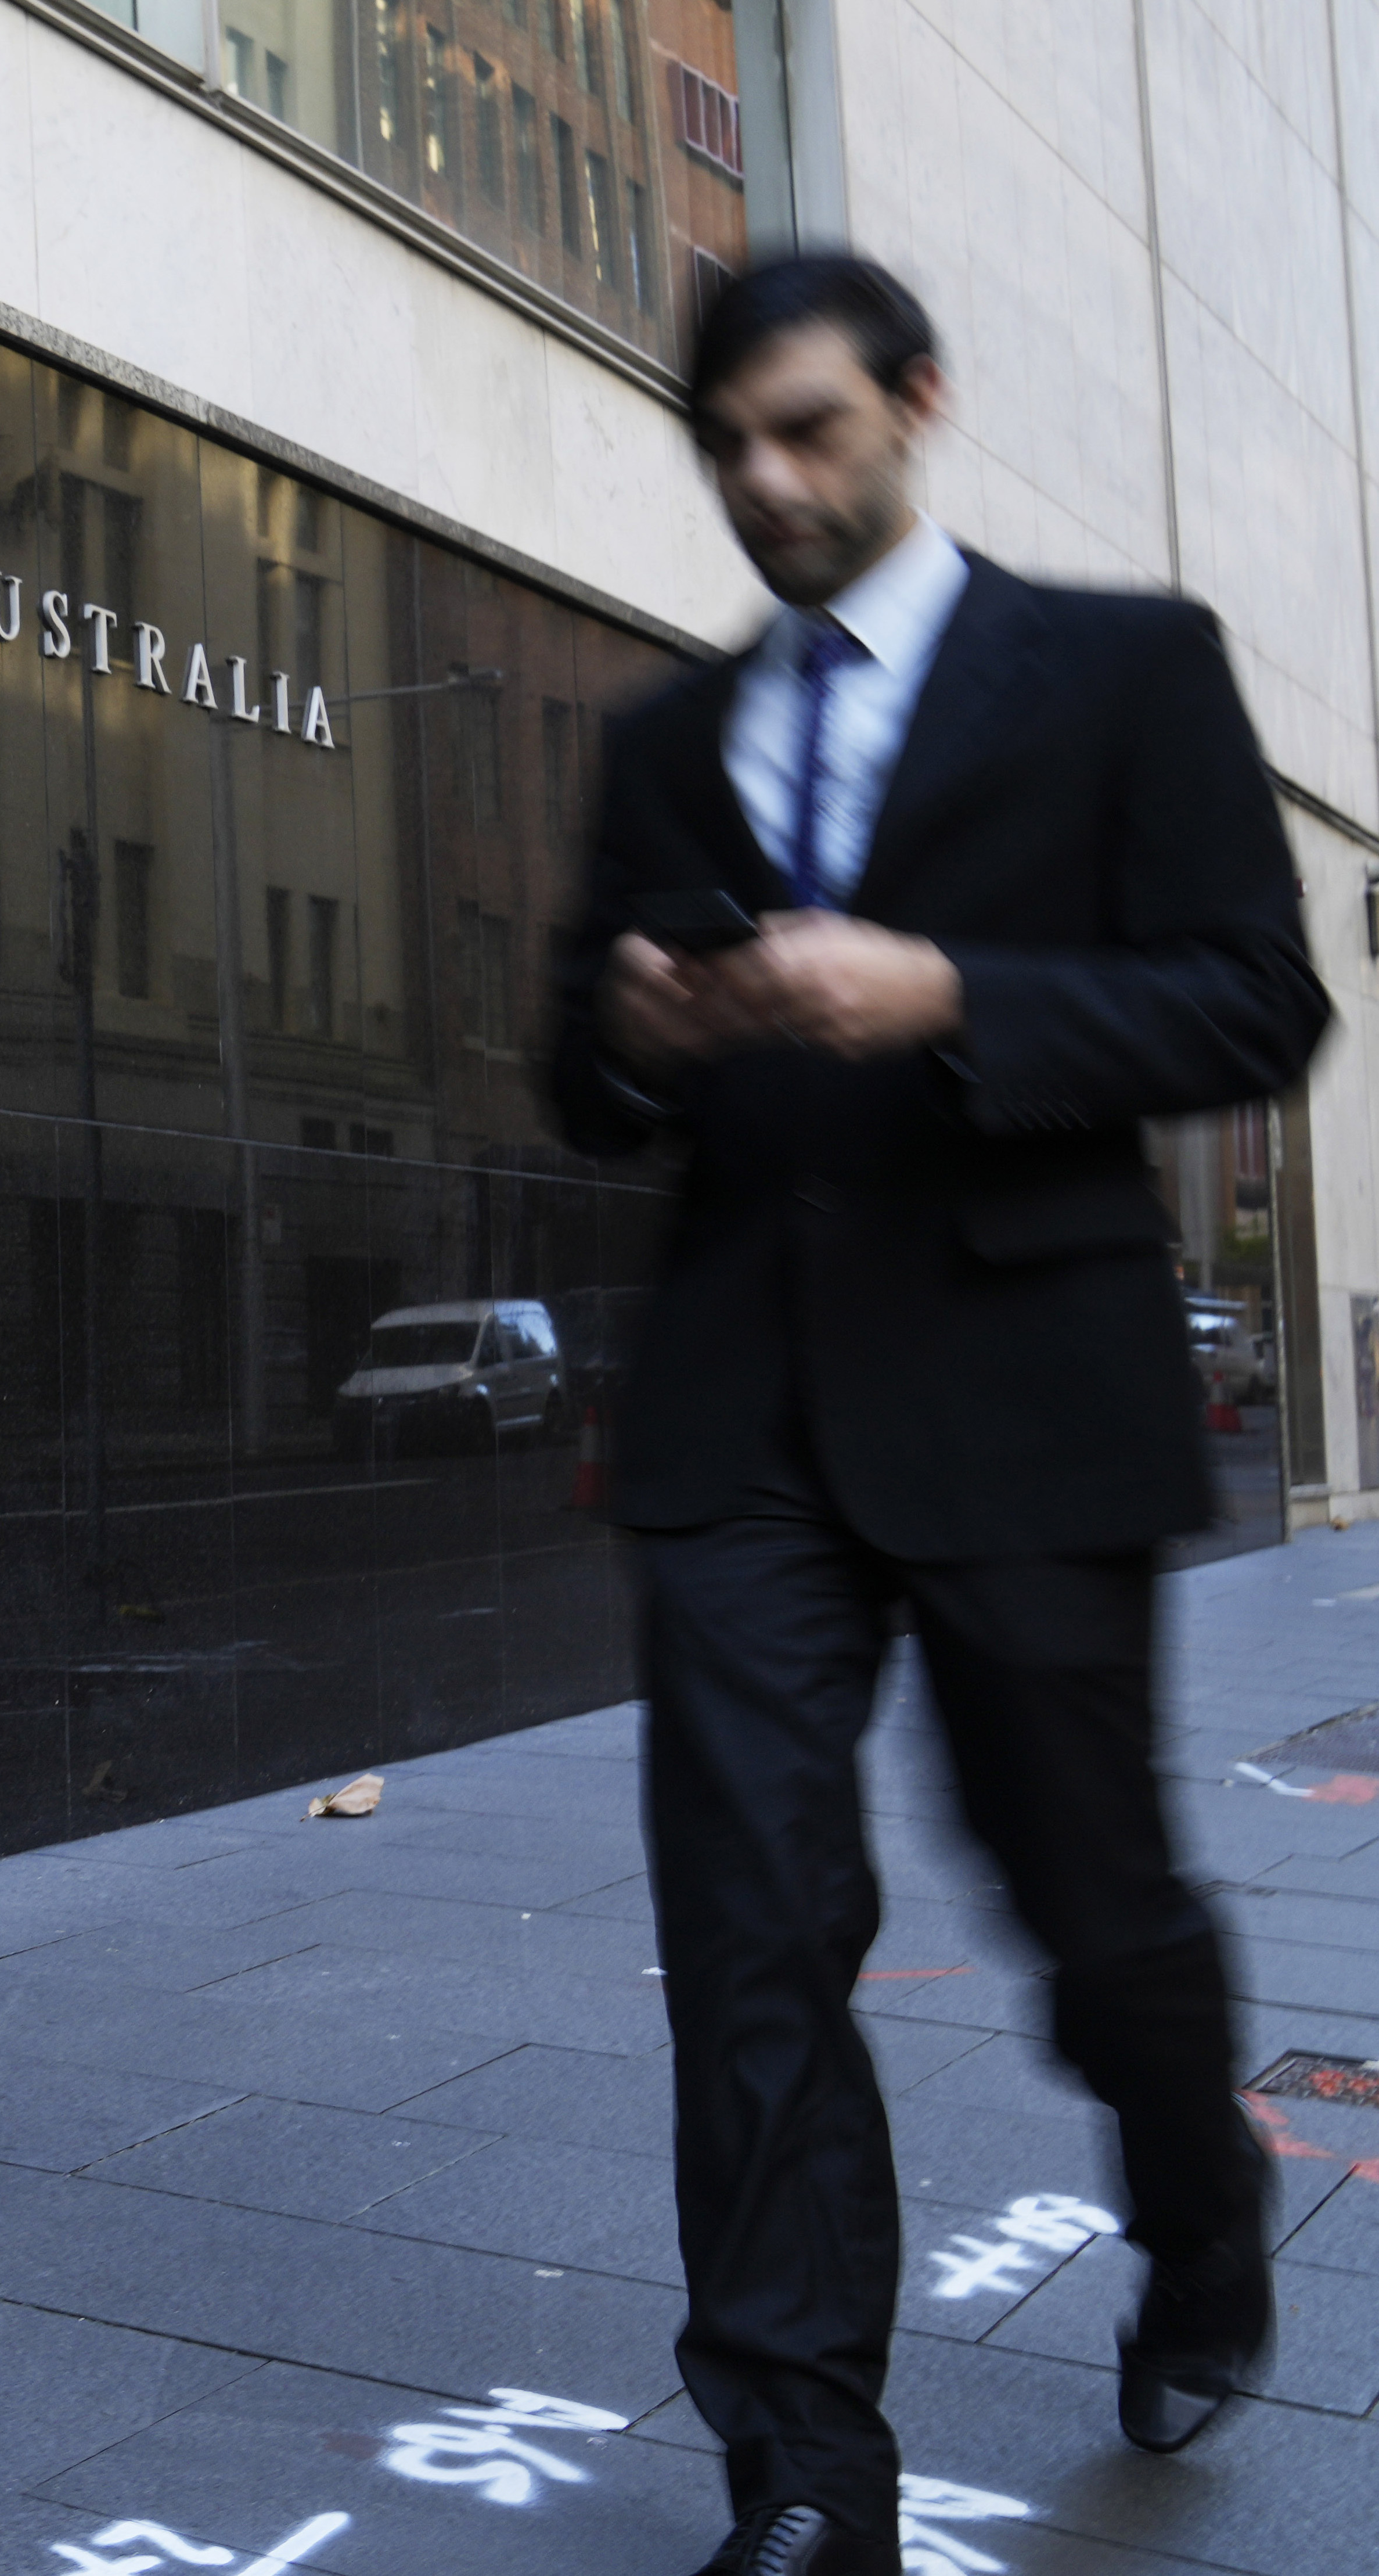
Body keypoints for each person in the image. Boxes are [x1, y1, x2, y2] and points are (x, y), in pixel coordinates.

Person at [547, 254, 1330, 2575]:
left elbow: (1251, 1000)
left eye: (805, 429)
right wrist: (637, 1037)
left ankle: (1199, 2214)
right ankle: (804, 2479)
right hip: (740, 1424)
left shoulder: (1122, 667)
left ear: (916, 402)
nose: (764, 484)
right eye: (726, 447)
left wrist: (955, 991)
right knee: (752, 1937)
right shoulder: (658, 738)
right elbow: (572, 1072)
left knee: (1093, 1907)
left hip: (1020, 1391)